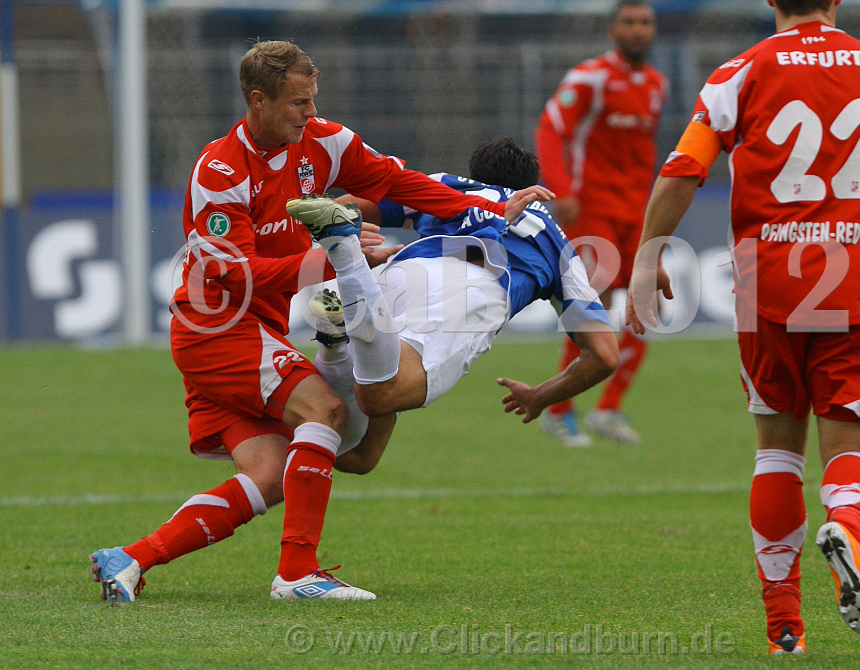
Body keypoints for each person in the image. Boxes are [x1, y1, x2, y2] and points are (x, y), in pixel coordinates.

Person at [88, 41, 551, 602]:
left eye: (312, 100)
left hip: (259, 329)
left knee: (270, 475)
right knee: (325, 411)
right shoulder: (220, 170)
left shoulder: (324, 141)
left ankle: (129, 559)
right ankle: (297, 574)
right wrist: (335, 258)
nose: (310, 113)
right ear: (258, 101)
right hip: (217, 327)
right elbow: (234, 274)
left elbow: (396, 181)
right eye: (298, 103)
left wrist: (489, 211)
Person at [626, 0, 860, 654]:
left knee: (776, 450)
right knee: (852, 444)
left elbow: (683, 171)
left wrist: (649, 254)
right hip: (859, 280)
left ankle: (785, 626)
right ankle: (847, 527)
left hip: (768, 284)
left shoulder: (738, 73)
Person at [285, 137, 620, 466]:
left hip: (401, 275)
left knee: (360, 457)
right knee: (380, 396)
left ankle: (339, 341)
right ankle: (342, 328)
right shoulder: (555, 238)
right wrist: (539, 397)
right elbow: (604, 355)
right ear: (530, 186)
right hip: (470, 292)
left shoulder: (445, 184)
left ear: (475, 173)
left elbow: (347, 208)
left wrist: (335, 229)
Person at [534, 0, 667, 446]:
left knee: (648, 304)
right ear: (613, 30)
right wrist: (561, 189)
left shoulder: (656, 84)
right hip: (593, 208)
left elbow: (642, 153)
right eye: (629, 22)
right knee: (596, 306)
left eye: (645, 22)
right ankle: (559, 410)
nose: (638, 29)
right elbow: (550, 128)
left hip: (636, 211)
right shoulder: (589, 77)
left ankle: (608, 409)